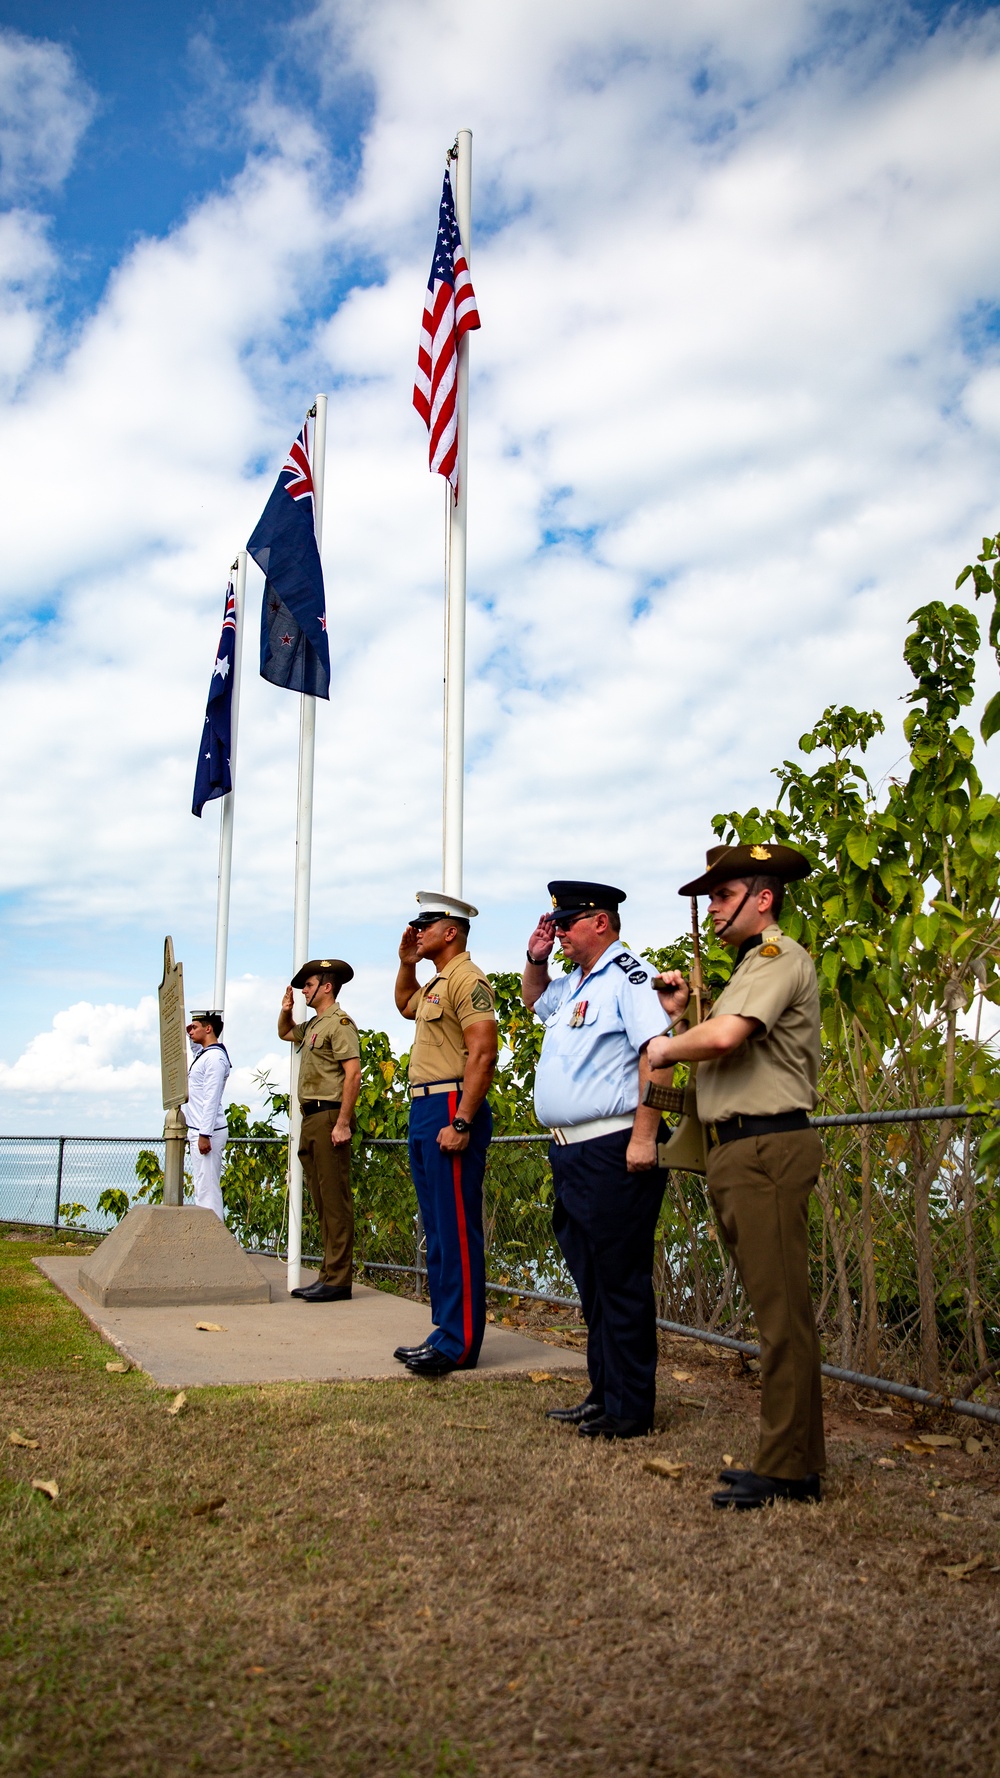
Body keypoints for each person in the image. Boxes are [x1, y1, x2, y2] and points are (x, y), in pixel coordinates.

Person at [645, 842, 824, 1509]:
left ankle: (787, 1467)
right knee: (774, 1312)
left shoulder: (780, 958)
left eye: (723, 895)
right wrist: (682, 1016)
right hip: (738, 1154)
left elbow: (724, 1041)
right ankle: (794, 1460)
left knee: (783, 1319)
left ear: (764, 897)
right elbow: (718, 1048)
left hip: (767, 1151)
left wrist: (668, 1042)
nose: (713, 908)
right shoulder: (748, 970)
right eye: (712, 898)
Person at [523, 881, 672, 1440]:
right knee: (593, 1281)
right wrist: (535, 958)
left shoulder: (630, 976)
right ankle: (603, 1392)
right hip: (572, 1152)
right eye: (555, 923)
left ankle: (630, 1407)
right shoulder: (577, 982)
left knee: (621, 1280)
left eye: (567, 922)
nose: (558, 930)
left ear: (601, 923)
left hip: (614, 1147)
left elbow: (657, 1057)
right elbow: (535, 1001)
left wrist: (644, 1136)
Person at [392, 891, 498, 1377]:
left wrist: (462, 1122)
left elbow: (483, 1053)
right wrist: (406, 962)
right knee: (437, 1229)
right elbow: (404, 1005)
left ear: (450, 930)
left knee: (455, 1229)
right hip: (425, 1105)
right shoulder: (437, 980)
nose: (417, 931)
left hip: (452, 1103)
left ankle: (460, 1343)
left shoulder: (468, 979)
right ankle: (444, 1331)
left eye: (425, 924)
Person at [278, 958, 361, 1303]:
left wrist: (343, 1122)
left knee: (334, 1200)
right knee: (321, 1201)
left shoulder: (339, 1023)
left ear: (327, 986)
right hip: (311, 1117)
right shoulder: (314, 1025)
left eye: (309, 985)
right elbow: (285, 1032)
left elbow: (353, 1074)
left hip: (329, 1116)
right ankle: (328, 1274)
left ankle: (339, 1279)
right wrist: (285, 1010)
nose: (303, 991)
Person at [184, 1010, 232, 1222]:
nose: (191, 1030)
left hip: (208, 1132)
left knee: (208, 1189)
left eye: (195, 1027)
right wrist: (189, 1032)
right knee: (202, 1186)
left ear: (208, 1028)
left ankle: (214, 1240)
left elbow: (211, 1099)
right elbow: (195, 1044)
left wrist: (205, 1134)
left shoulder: (214, 1058)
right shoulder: (205, 1054)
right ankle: (206, 1236)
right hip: (199, 1130)